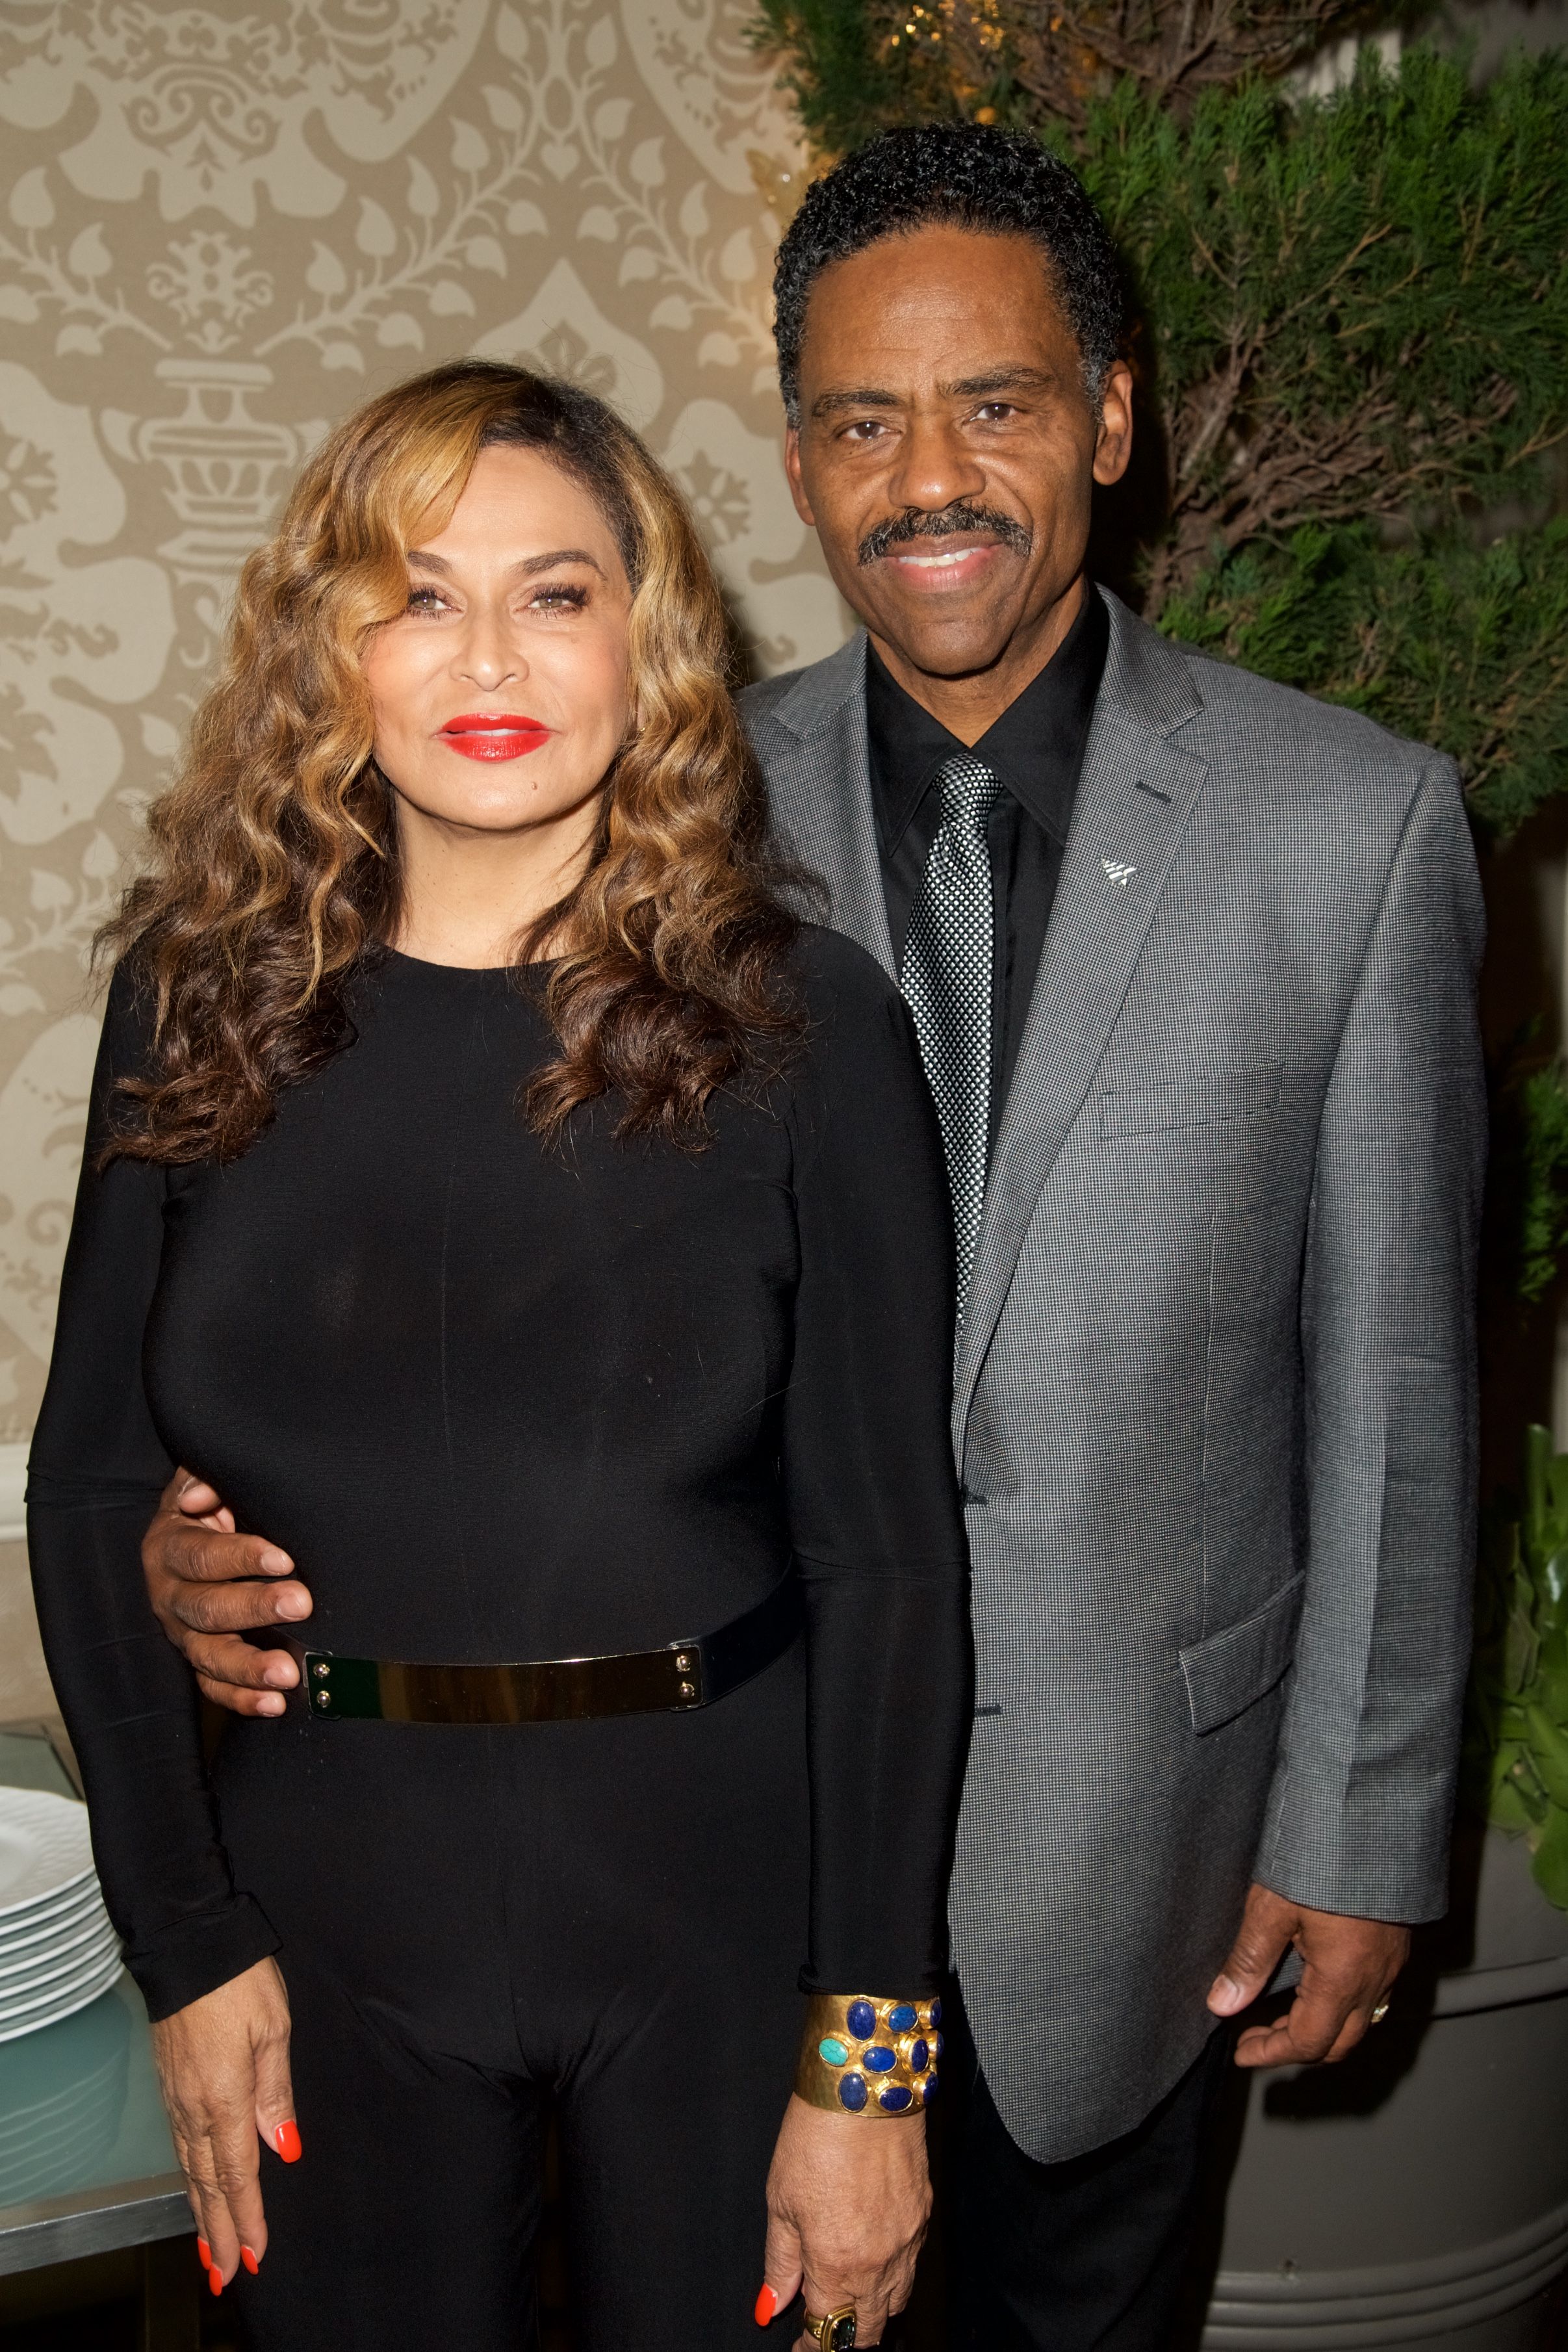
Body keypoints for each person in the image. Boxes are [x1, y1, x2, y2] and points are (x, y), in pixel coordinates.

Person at [131, 128, 1487, 2350]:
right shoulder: (631, 799)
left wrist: (1360, 1824)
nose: (925, 473)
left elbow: (1401, 1390)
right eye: (862, 419)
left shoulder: (1346, 825)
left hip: (1116, 1865)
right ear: (792, 460)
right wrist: (229, 1540)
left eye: (997, 405)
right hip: (716, 1868)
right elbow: (420, 1263)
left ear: (1114, 418)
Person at [26, 360, 972, 2352]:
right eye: (417, 589)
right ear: (333, 645)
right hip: (318, 1916)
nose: (489, 653)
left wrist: (874, 2065)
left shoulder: (806, 1028)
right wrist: (182, 1944)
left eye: (555, 592)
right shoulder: (200, 996)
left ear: (650, 643)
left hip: (719, 1908)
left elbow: (895, 1569)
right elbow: (92, 1481)